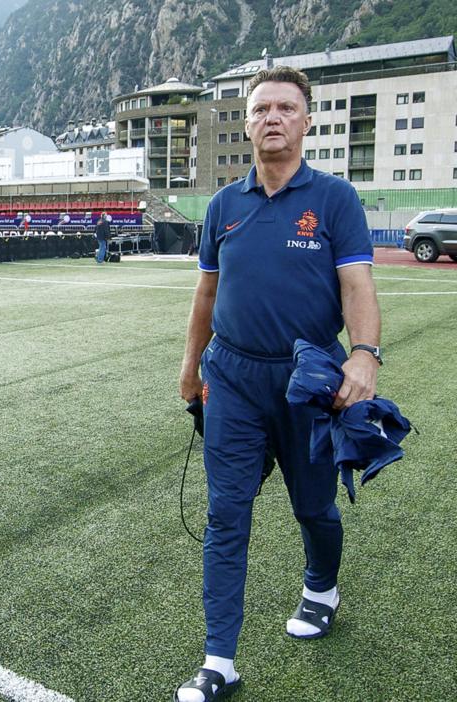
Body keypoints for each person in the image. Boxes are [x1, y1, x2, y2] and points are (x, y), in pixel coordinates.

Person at [174, 66, 381, 702]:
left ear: (306, 120)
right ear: (247, 120)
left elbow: (356, 286)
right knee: (226, 514)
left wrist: (365, 354)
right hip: (232, 380)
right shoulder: (223, 206)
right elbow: (207, 293)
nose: (272, 118)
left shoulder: (335, 199)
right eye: (262, 108)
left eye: (286, 108)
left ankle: (321, 586)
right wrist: (190, 371)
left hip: (308, 382)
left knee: (313, 507)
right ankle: (219, 661)